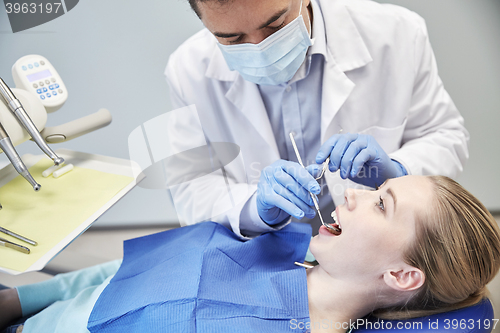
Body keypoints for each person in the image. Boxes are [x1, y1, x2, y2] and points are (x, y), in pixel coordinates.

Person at [1, 175, 499, 332]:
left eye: (380, 203)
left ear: (402, 275)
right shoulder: (282, 241)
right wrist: (20, 303)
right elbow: (126, 272)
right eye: (377, 185)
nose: (351, 191)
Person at [162, 0, 470, 236]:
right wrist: (254, 208)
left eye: (276, 25)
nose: (259, 48)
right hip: (262, 252)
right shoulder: (187, 70)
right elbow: (190, 187)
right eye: (232, 39)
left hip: (377, 248)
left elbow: (446, 138)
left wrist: (397, 170)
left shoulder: (397, 34)